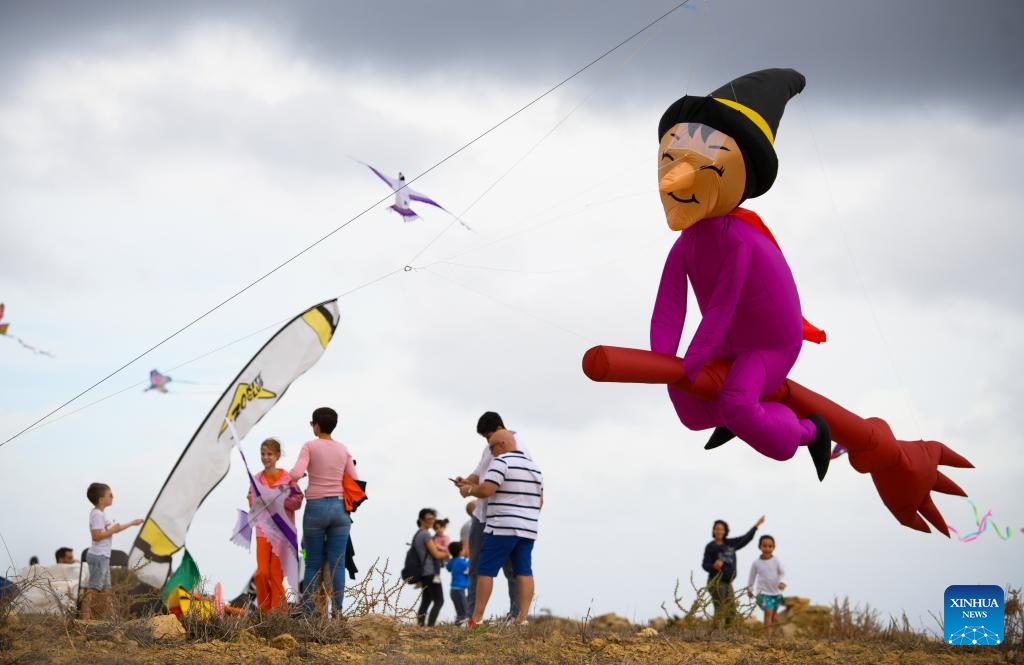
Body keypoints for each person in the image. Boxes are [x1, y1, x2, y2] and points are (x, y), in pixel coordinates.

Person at [455, 411, 532, 620]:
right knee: (481, 568)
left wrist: (470, 491)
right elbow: (479, 475)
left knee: (499, 570)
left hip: (502, 518)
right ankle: (474, 616)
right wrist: (466, 482)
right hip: (485, 516)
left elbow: (488, 488)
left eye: (488, 438)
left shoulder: (516, 450)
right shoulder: (490, 450)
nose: (488, 445)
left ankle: (510, 616)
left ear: (498, 430)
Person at [289, 407, 359, 616]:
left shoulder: (310, 446)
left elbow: (295, 473)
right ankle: (338, 612)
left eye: (312, 424)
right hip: (339, 509)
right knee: (337, 563)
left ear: (317, 425)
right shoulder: (343, 449)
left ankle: (309, 613)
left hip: (316, 508)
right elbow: (354, 479)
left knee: (312, 563)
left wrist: (303, 476)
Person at [249, 437, 303, 613]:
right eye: (263, 454)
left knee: (275, 574)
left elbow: (298, 500)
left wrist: (282, 501)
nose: (266, 457)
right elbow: (251, 499)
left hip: (283, 532)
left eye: (269, 454)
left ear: (278, 456)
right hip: (263, 530)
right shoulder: (256, 479)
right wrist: (259, 500)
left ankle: (279, 615)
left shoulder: (288, 479)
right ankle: (264, 613)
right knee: (261, 573)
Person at [81, 482, 142, 620]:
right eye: (110, 495)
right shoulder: (97, 514)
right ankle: (84, 618)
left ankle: (111, 619)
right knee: (94, 587)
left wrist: (132, 523)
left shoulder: (102, 514)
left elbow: (116, 528)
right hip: (98, 556)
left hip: (103, 557)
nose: (113, 497)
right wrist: (111, 531)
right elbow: (96, 536)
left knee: (107, 590)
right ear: (101, 499)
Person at [702, 515, 764, 628]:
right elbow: (705, 565)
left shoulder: (730, 544)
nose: (719, 531)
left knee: (731, 610)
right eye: (717, 528)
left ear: (725, 531)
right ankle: (715, 636)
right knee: (720, 608)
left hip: (728, 582)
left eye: (721, 529)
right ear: (713, 530)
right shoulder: (710, 547)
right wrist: (713, 566)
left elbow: (746, 538)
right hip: (715, 582)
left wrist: (756, 526)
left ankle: (727, 636)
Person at [412, 508, 449, 626]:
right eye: (428, 519)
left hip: (423, 573)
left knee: (426, 600)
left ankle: (420, 625)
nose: (431, 521)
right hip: (430, 572)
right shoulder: (426, 534)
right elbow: (436, 554)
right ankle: (430, 626)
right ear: (421, 520)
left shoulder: (418, 534)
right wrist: (447, 555)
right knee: (439, 601)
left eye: (433, 518)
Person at [747, 534, 787, 640]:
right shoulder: (756, 563)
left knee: (773, 616)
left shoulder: (776, 561)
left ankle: (774, 635)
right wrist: (750, 589)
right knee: (768, 612)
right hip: (762, 593)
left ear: (773, 547)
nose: (767, 548)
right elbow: (752, 577)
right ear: (760, 547)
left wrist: (782, 582)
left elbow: (783, 573)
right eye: (764, 546)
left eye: (770, 546)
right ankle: (768, 637)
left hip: (775, 593)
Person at [446, 541, 470, 625]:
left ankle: (458, 624)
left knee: (459, 611)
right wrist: (468, 558)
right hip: (460, 590)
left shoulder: (453, 561)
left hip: (453, 590)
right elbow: (470, 569)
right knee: (465, 611)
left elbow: (448, 568)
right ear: (460, 552)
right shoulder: (462, 562)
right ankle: (466, 626)